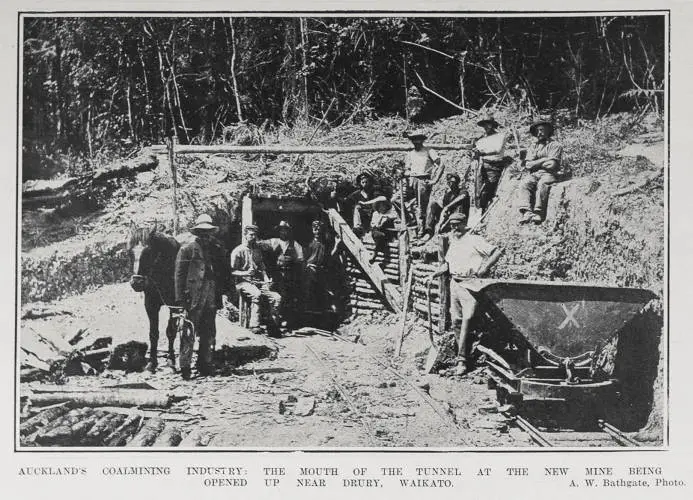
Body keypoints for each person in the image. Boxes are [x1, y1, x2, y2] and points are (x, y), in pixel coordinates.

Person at [428, 212, 502, 375]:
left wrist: (483, 269)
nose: (454, 228)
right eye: (452, 225)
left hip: (471, 283)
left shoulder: (474, 240)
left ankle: (464, 360)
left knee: (468, 320)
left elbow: (496, 252)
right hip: (454, 283)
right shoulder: (453, 242)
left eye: (457, 224)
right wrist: (436, 273)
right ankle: (462, 358)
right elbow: (448, 265)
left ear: (464, 224)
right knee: (456, 320)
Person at [174, 214, 224, 379]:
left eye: (208, 232)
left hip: (211, 291)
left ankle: (204, 363)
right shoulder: (187, 249)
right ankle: (185, 367)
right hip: (193, 294)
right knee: (189, 330)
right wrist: (180, 299)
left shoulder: (216, 249)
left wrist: (220, 294)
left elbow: (222, 272)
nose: (205, 235)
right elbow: (179, 276)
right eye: (202, 232)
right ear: (197, 233)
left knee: (208, 329)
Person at [230, 224, 282, 336]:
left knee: (276, 298)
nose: (253, 237)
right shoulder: (238, 251)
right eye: (251, 235)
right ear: (245, 235)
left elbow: (262, 268)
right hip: (242, 282)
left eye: (255, 235)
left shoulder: (257, 251)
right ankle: (255, 326)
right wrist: (245, 273)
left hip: (257, 282)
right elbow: (232, 272)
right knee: (257, 295)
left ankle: (272, 326)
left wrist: (267, 279)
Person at [259, 221, 304, 331]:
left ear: (289, 232)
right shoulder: (274, 241)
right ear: (279, 231)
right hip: (276, 275)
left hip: (289, 275)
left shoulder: (295, 244)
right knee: (276, 297)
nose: (283, 232)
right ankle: (274, 321)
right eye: (281, 230)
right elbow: (259, 244)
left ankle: (286, 321)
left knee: (288, 298)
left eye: (285, 230)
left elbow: (301, 260)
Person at [518, 116, 563, 224]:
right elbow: (528, 165)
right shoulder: (534, 146)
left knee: (543, 184)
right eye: (537, 131)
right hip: (534, 174)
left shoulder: (555, 145)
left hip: (549, 174)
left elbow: (551, 165)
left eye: (541, 130)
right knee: (524, 183)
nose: (539, 133)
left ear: (548, 130)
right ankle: (527, 212)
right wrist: (544, 160)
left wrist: (536, 163)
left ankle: (538, 213)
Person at [401, 129, 444, 238]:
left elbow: (441, 165)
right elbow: (407, 169)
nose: (416, 142)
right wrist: (407, 174)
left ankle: (424, 231)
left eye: (418, 139)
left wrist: (435, 180)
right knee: (397, 200)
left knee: (422, 207)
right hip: (411, 180)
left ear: (422, 140)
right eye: (414, 139)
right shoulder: (410, 154)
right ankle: (412, 222)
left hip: (423, 180)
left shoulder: (429, 151)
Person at [472, 113, 512, 212]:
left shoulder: (500, 136)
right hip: (483, 165)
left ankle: (486, 209)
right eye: (484, 125)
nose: (486, 127)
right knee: (478, 191)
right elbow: (477, 154)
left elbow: (497, 149)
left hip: (495, 166)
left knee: (489, 188)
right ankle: (480, 210)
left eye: (488, 124)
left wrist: (482, 152)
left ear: (493, 124)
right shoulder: (481, 140)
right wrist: (476, 154)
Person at [424, 172, 470, 239]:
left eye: (452, 182)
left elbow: (462, 196)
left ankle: (457, 227)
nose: (450, 184)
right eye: (449, 182)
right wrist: (441, 221)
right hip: (449, 218)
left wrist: (448, 206)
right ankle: (429, 231)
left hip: (460, 218)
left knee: (459, 204)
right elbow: (444, 210)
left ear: (457, 182)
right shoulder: (448, 195)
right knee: (433, 204)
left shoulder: (462, 191)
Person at [361, 196, 399, 261]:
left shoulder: (389, 213)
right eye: (381, 205)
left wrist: (386, 218)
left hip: (386, 232)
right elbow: (374, 225)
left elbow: (394, 216)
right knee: (379, 236)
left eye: (384, 205)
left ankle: (375, 254)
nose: (382, 207)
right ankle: (375, 254)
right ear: (378, 206)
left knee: (383, 236)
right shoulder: (375, 214)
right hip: (376, 231)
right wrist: (380, 219)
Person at [303, 220, 329, 314]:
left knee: (321, 290)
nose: (317, 231)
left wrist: (337, 245)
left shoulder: (324, 244)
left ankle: (319, 311)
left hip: (320, 269)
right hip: (310, 269)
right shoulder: (309, 244)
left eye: (319, 229)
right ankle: (306, 310)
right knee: (309, 289)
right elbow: (304, 257)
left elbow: (328, 257)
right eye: (315, 229)